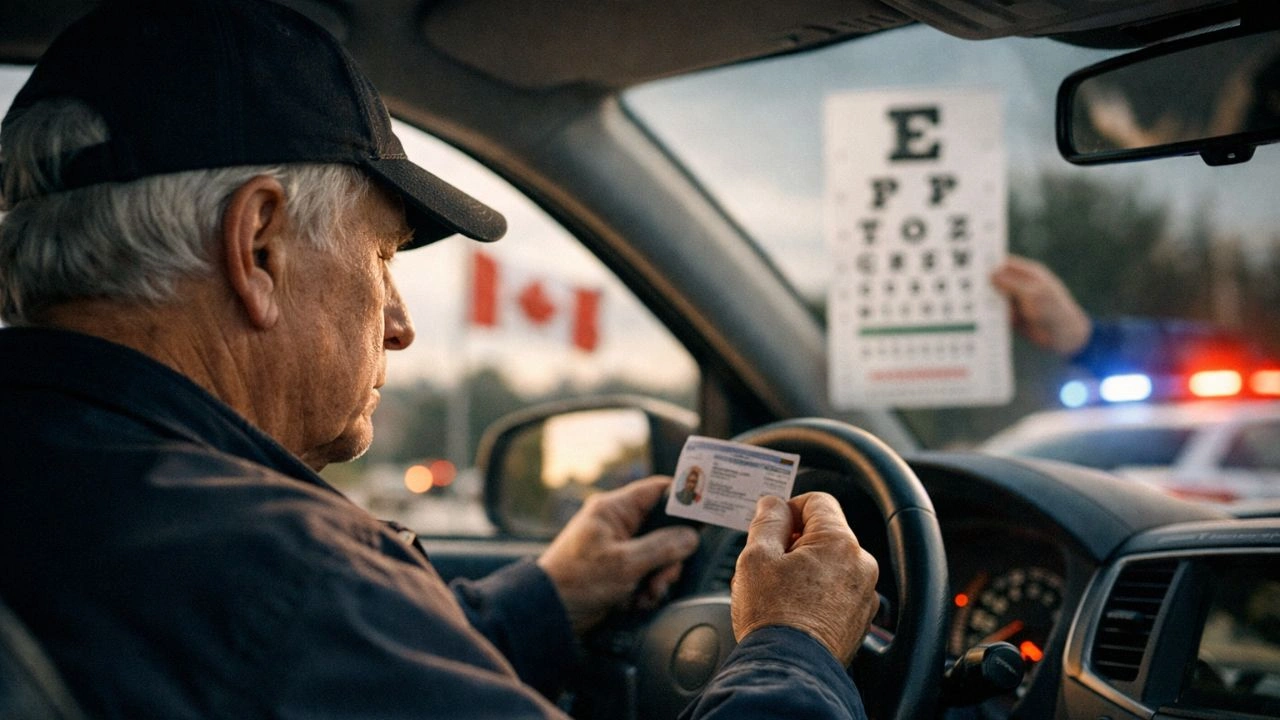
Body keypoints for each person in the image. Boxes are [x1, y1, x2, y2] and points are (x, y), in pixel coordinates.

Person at [0, 1, 880, 718]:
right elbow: (303, 643)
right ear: (259, 246)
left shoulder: (82, 508)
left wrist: (550, 595)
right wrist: (792, 647)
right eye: (381, 256)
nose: (400, 324)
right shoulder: (282, 579)